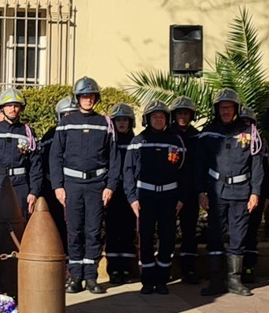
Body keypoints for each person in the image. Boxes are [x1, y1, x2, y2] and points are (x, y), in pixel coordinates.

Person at [50, 78, 118, 294]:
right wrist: (58, 186)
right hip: (72, 185)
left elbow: (114, 158)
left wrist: (110, 186)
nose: (87, 100)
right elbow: (55, 157)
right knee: (74, 230)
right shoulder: (66, 123)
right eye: (84, 96)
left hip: (97, 185)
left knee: (93, 231)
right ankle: (75, 276)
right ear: (78, 98)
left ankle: (91, 277)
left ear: (96, 98)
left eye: (91, 96)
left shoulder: (104, 123)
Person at [197, 89, 267, 298]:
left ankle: (234, 280)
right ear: (217, 110)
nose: (226, 111)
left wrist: (255, 193)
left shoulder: (249, 132)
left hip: (241, 192)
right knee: (215, 236)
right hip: (216, 191)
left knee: (238, 236)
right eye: (222, 108)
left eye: (229, 108)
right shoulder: (208, 132)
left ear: (236, 109)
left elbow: (257, 166)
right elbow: (200, 165)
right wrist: (202, 191)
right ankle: (216, 280)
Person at [123, 100, 188, 295]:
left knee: (167, 238)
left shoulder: (176, 141)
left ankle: (162, 278)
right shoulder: (138, 142)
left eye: (162, 116)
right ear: (147, 119)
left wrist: (181, 198)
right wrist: (132, 198)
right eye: (154, 116)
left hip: (169, 196)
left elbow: (185, 172)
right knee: (145, 237)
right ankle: (147, 279)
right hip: (145, 196)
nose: (158, 120)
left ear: (167, 119)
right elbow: (128, 172)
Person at [103, 104, 140, 285]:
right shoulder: (110, 141)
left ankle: (126, 268)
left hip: (130, 194)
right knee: (112, 231)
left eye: (125, 120)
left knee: (128, 231)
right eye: (118, 120)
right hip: (113, 192)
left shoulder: (136, 141)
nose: (122, 123)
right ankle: (113, 269)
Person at [171, 100, 206, 282]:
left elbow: (200, 167)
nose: (183, 117)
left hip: (191, 192)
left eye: (186, 114)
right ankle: (165, 268)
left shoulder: (197, 137)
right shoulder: (168, 134)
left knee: (189, 231)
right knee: (166, 231)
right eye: (179, 114)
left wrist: (201, 191)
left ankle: (188, 269)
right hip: (169, 191)